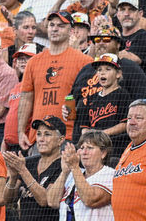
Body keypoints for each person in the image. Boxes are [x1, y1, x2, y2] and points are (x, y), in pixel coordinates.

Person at [18, 11, 92, 150]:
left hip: (68, 137)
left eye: (61, 25)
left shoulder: (85, 61)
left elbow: (90, 100)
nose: (55, 28)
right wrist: (21, 132)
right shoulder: (34, 62)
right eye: (52, 25)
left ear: (71, 31)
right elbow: (26, 99)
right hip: (37, 138)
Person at [3, 115, 65, 221]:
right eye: (39, 134)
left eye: (47, 134)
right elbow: (7, 200)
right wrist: (13, 177)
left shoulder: (64, 165)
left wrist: (22, 170)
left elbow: (44, 200)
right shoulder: (29, 163)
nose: (41, 139)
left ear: (60, 140)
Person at [48, 130, 116, 221]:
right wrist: (64, 172)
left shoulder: (110, 174)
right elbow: (52, 202)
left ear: (103, 153)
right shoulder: (72, 175)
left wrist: (74, 167)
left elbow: (90, 200)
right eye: (82, 148)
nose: (84, 152)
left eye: (90, 148)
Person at [80, 53, 131, 160]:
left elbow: (124, 124)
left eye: (108, 69)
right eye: (99, 70)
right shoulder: (91, 98)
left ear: (118, 74)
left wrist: (100, 135)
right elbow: (84, 127)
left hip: (115, 148)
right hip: (94, 149)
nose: (102, 72)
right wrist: (90, 137)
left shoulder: (123, 95)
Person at [115, 0, 146, 84]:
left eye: (131, 10)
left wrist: (105, 47)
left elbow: (129, 61)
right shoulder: (115, 38)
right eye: (123, 10)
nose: (126, 14)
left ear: (140, 14)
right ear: (118, 14)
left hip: (136, 92)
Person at [3, 43, 36, 152]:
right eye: (21, 59)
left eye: (28, 58)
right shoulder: (15, 87)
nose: (23, 61)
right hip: (10, 145)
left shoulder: (37, 85)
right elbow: (10, 118)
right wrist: (4, 143)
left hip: (26, 145)